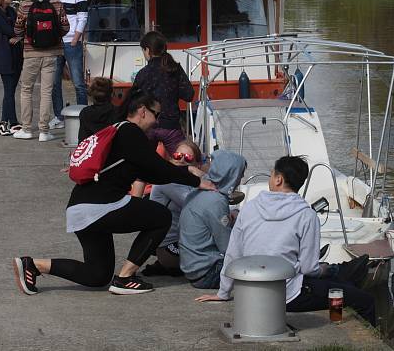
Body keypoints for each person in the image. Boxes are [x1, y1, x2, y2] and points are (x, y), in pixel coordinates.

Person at [12, 91, 216, 296]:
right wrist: (197, 181)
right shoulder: (130, 132)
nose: (157, 122)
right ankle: (125, 278)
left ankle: (34, 264)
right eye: (156, 115)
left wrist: (184, 172)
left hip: (81, 207)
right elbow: (158, 168)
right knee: (161, 217)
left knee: (97, 275)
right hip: (101, 206)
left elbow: (152, 173)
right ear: (143, 112)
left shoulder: (116, 131)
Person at [195, 155, 376, 326]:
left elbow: (233, 254)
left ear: (278, 179)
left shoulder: (249, 209)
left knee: (338, 284)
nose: (270, 177)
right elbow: (308, 268)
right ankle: (344, 289)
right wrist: (324, 270)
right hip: (287, 298)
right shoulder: (307, 215)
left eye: (272, 173)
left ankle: (345, 274)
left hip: (250, 295)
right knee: (365, 300)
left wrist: (223, 292)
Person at [178, 150, 247, 289]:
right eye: (240, 174)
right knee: (260, 268)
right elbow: (227, 246)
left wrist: (230, 217)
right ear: (231, 174)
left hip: (192, 267)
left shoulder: (197, 191)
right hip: (208, 272)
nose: (241, 178)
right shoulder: (216, 201)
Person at [12, 0, 69, 142]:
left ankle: (27, 129)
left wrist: (26, 36)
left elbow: (17, 29)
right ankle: (44, 131)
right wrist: (55, 37)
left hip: (31, 54)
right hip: (52, 54)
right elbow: (66, 27)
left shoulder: (25, 5)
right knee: (46, 91)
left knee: (26, 90)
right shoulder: (57, 4)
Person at [143, 140, 206, 276]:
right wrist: (203, 176)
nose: (182, 160)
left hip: (178, 242)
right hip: (167, 247)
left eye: (188, 158)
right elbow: (198, 207)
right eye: (178, 155)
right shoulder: (168, 181)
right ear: (172, 158)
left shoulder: (186, 182)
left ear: (197, 164)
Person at [134, 31, 194, 153]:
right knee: (180, 161)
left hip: (148, 126)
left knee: (144, 163)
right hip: (171, 126)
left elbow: (134, 100)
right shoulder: (174, 69)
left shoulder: (142, 74)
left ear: (147, 50)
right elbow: (189, 95)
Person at [49, 0, 88, 131]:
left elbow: (83, 17)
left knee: (78, 82)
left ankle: (84, 116)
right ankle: (59, 116)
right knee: (55, 82)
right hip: (57, 44)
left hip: (72, 42)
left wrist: (76, 38)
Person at [0, 0, 24, 136]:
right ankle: (14, 123)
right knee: (9, 91)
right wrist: (17, 34)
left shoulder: (11, 10)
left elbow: (21, 27)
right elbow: (9, 30)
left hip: (16, 55)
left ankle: (4, 124)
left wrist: (18, 35)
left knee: (10, 91)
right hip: (4, 56)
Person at [77, 77, 121, 142]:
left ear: (92, 94)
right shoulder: (118, 112)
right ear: (111, 94)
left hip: (92, 150)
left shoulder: (85, 112)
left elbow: (82, 139)